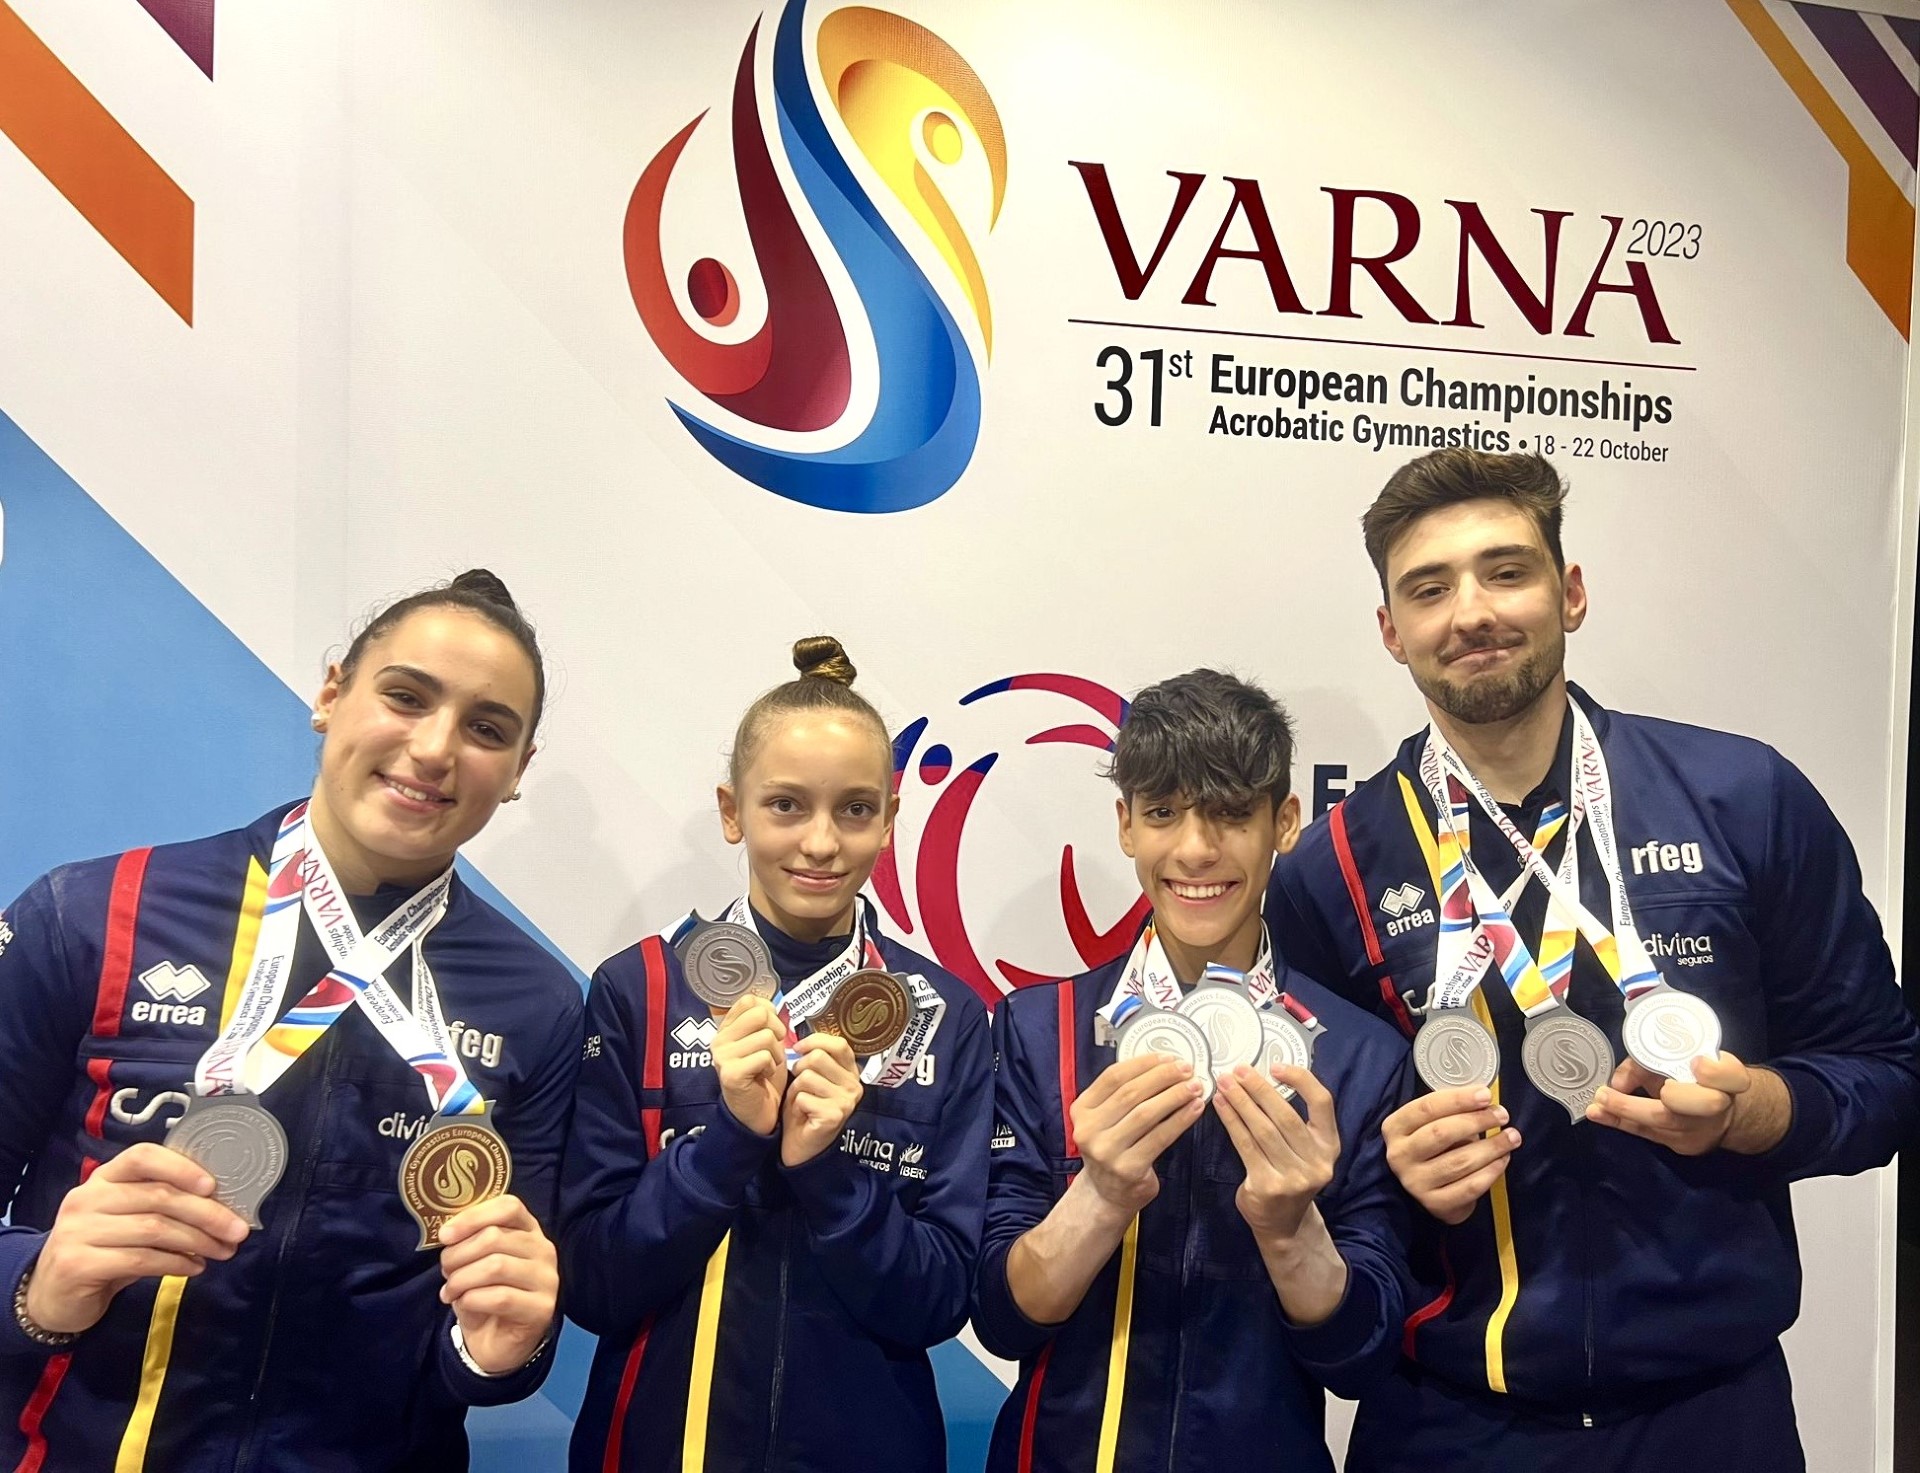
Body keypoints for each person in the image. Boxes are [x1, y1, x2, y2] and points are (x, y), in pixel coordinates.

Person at [1267, 448, 1920, 1470]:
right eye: (1429, 589)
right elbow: (1313, 1163)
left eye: (1506, 571)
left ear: (1570, 593)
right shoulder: (1332, 868)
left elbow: (1886, 1074)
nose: (1472, 611)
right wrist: (1392, 1173)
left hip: (1712, 1417)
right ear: (1393, 632)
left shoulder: (1742, 797)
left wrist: (1752, 1111)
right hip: (1446, 1421)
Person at [0, 570, 583, 1471]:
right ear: (331, 693)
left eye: (486, 729)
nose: (434, 748)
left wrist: (502, 1349)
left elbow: (485, 1329)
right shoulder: (93, 913)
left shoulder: (537, 1003)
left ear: (516, 774)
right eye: (405, 695)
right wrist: (36, 1285)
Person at [561, 637, 993, 1473]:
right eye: (787, 805)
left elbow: (941, 1299)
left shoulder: (946, 1015)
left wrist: (828, 1174)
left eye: (856, 809)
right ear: (733, 810)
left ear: (893, 818)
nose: (822, 842)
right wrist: (727, 1144)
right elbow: (592, 1280)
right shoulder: (640, 988)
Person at [972, 669, 1411, 1473]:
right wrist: (1099, 1196)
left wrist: (1289, 1230)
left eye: (1232, 812)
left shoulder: (1358, 1053)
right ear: (1126, 825)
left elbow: (1360, 1354)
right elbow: (1003, 1316)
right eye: (1165, 811)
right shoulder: (1042, 1028)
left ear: (1285, 821)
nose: (1196, 848)